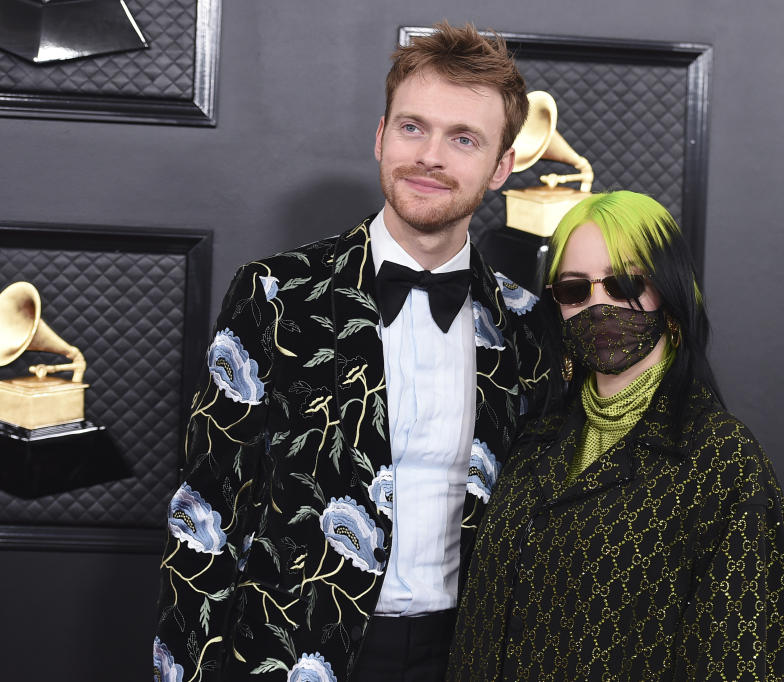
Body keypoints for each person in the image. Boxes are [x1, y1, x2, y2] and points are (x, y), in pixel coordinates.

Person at [152, 22, 550, 682]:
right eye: (412, 127)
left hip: (470, 657)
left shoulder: (527, 323)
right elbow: (207, 507)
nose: (429, 155)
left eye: (464, 139)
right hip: (293, 653)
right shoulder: (275, 293)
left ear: (501, 167)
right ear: (380, 136)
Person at [447, 191, 784, 681]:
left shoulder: (722, 458)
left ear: (669, 295)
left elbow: (735, 661)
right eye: (574, 290)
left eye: (623, 283)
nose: (598, 304)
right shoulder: (533, 437)